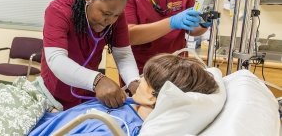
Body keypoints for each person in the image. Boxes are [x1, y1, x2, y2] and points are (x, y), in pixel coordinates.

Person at [29, 53, 219, 135]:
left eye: (144, 78)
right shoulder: (129, 103)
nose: (138, 79)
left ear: (153, 96)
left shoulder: (119, 129)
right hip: (36, 118)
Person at [41, 0, 141, 110]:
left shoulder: (115, 15)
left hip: (88, 91)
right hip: (56, 93)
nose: (110, 21)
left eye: (116, 15)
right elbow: (56, 59)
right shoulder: (59, 10)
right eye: (106, 13)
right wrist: (97, 80)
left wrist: (134, 81)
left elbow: (123, 54)